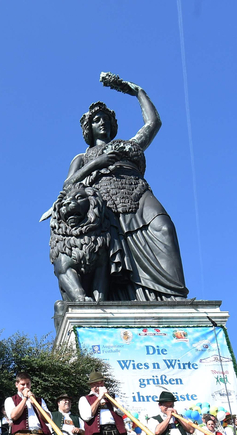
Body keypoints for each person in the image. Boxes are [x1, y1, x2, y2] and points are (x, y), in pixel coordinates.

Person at [58, 74, 188, 301]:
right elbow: (68, 185)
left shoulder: (130, 145)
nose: (102, 122)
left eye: (106, 118)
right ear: (89, 127)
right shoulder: (83, 156)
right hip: (105, 206)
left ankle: (174, 299)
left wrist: (137, 91)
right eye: (96, 119)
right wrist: (96, 164)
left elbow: (153, 123)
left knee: (164, 228)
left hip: (138, 193)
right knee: (112, 260)